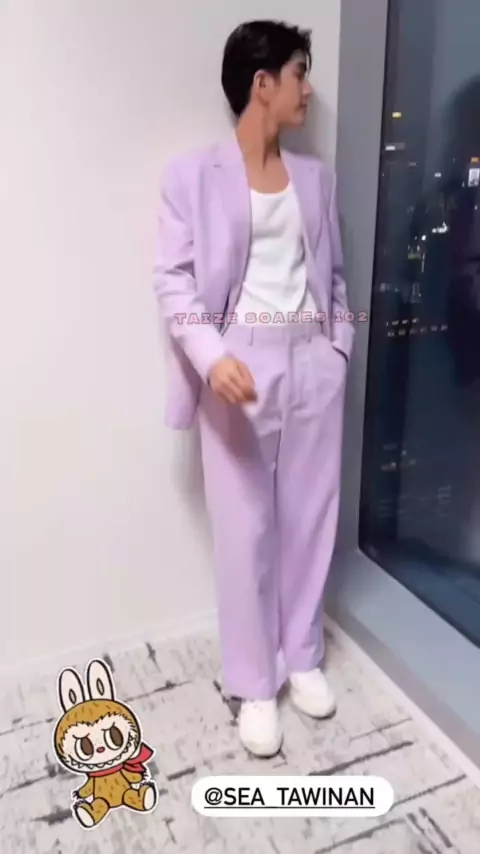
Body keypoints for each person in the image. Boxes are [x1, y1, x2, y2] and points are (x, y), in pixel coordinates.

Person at [153, 20, 354, 757]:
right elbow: (173, 281)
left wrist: (337, 349)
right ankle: (254, 681)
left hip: (313, 364)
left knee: (311, 518)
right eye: (301, 72)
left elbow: (332, 277)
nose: (309, 89)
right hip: (238, 367)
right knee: (244, 532)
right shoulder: (191, 176)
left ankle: (301, 655)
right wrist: (212, 357)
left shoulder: (316, 178)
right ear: (262, 83)